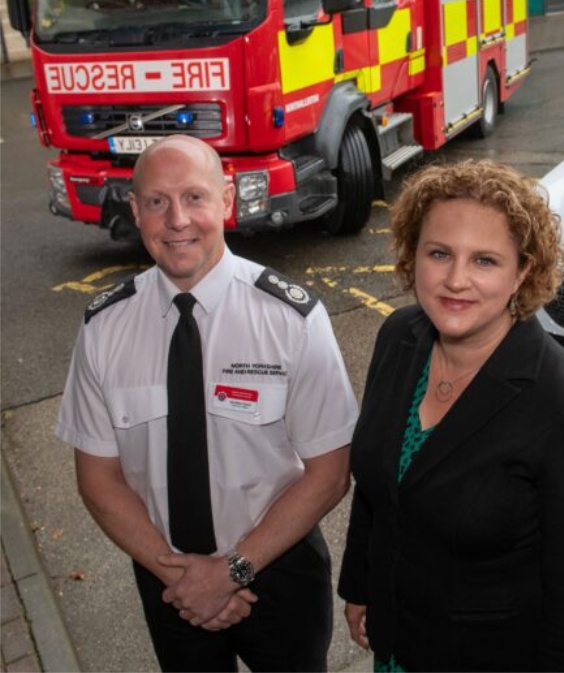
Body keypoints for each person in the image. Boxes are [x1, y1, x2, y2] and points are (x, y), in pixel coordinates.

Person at [56, 135, 358, 672]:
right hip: (167, 577)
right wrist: (183, 578)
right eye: (157, 201)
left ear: (225, 200)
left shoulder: (291, 319)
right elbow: (97, 479)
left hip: (279, 572)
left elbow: (330, 474)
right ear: (135, 210)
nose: (177, 220)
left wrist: (229, 573)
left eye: (194, 197)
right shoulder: (104, 328)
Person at [337, 160, 564, 671]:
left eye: (485, 261)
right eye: (439, 253)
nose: (456, 280)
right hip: (396, 641)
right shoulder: (399, 337)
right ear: (412, 254)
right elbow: (380, 492)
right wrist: (361, 585)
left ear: (523, 271)